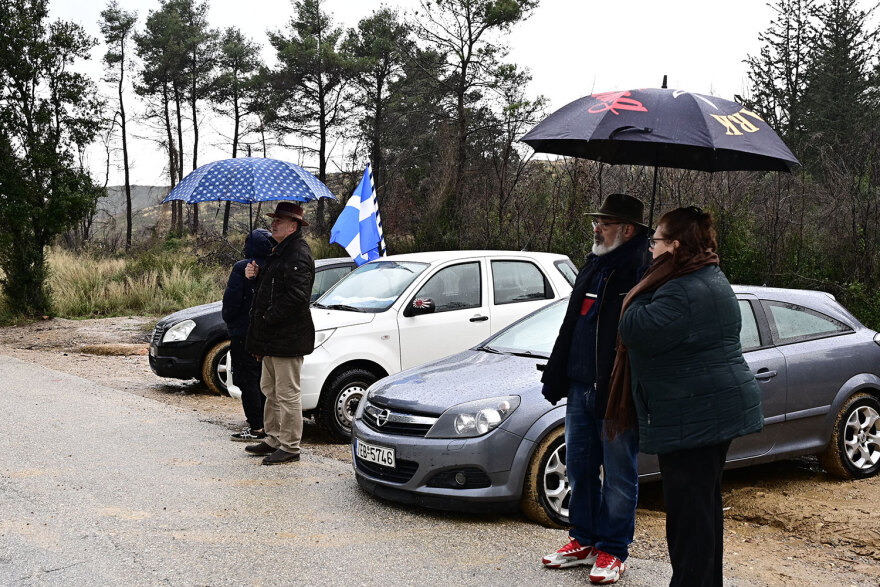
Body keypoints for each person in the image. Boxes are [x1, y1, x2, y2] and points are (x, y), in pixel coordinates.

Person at [614, 206, 763, 586]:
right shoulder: (707, 276)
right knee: (703, 509)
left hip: (695, 416)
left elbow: (633, 327)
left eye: (656, 241)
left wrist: (641, 286)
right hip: (708, 411)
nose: (650, 248)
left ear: (674, 246)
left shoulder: (682, 291)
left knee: (689, 517)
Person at [540, 193, 649, 585]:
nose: (596, 227)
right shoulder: (594, 266)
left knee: (619, 475)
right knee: (579, 468)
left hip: (616, 393)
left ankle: (613, 549)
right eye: (597, 220)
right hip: (580, 386)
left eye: (604, 222)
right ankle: (583, 539)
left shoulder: (640, 272)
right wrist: (557, 375)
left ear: (627, 229)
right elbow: (571, 325)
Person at [243, 201, 316, 466]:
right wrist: (257, 275)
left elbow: (298, 297)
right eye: (274, 219)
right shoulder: (280, 251)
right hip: (273, 338)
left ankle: (290, 446)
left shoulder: (297, 253)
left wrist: (268, 316)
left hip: (288, 338)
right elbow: (276, 287)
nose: (273, 223)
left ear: (293, 226)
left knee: (287, 394)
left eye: (279, 220)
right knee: (269, 390)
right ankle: (273, 438)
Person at [222, 228, 274, 442]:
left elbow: (230, 304)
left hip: (243, 333)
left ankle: (256, 426)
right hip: (267, 334)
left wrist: (232, 322)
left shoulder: (242, 268)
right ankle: (266, 422)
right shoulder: (273, 267)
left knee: (247, 380)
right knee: (264, 380)